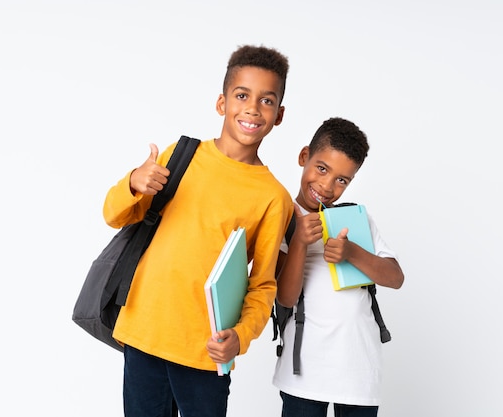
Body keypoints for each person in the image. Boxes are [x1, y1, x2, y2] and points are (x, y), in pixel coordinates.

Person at [102, 45, 294, 417]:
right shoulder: (181, 155)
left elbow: (264, 283)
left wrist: (240, 337)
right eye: (242, 95)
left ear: (279, 114)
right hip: (144, 332)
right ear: (222, 103)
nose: (252, 108)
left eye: (266, 100)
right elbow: (113, 215)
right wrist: (133, 183)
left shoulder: (274, 197)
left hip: (206, 350)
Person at [272, 117, 405, 417]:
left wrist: (353, 253)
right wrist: (299, 244)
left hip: (358, 370)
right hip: (303, 370)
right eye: (322, 168)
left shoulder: (355, 219)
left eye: (342, 180)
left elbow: (396, 278)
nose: (327, 186)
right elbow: (285, 298)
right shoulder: (282, 220)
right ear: (304, 157)